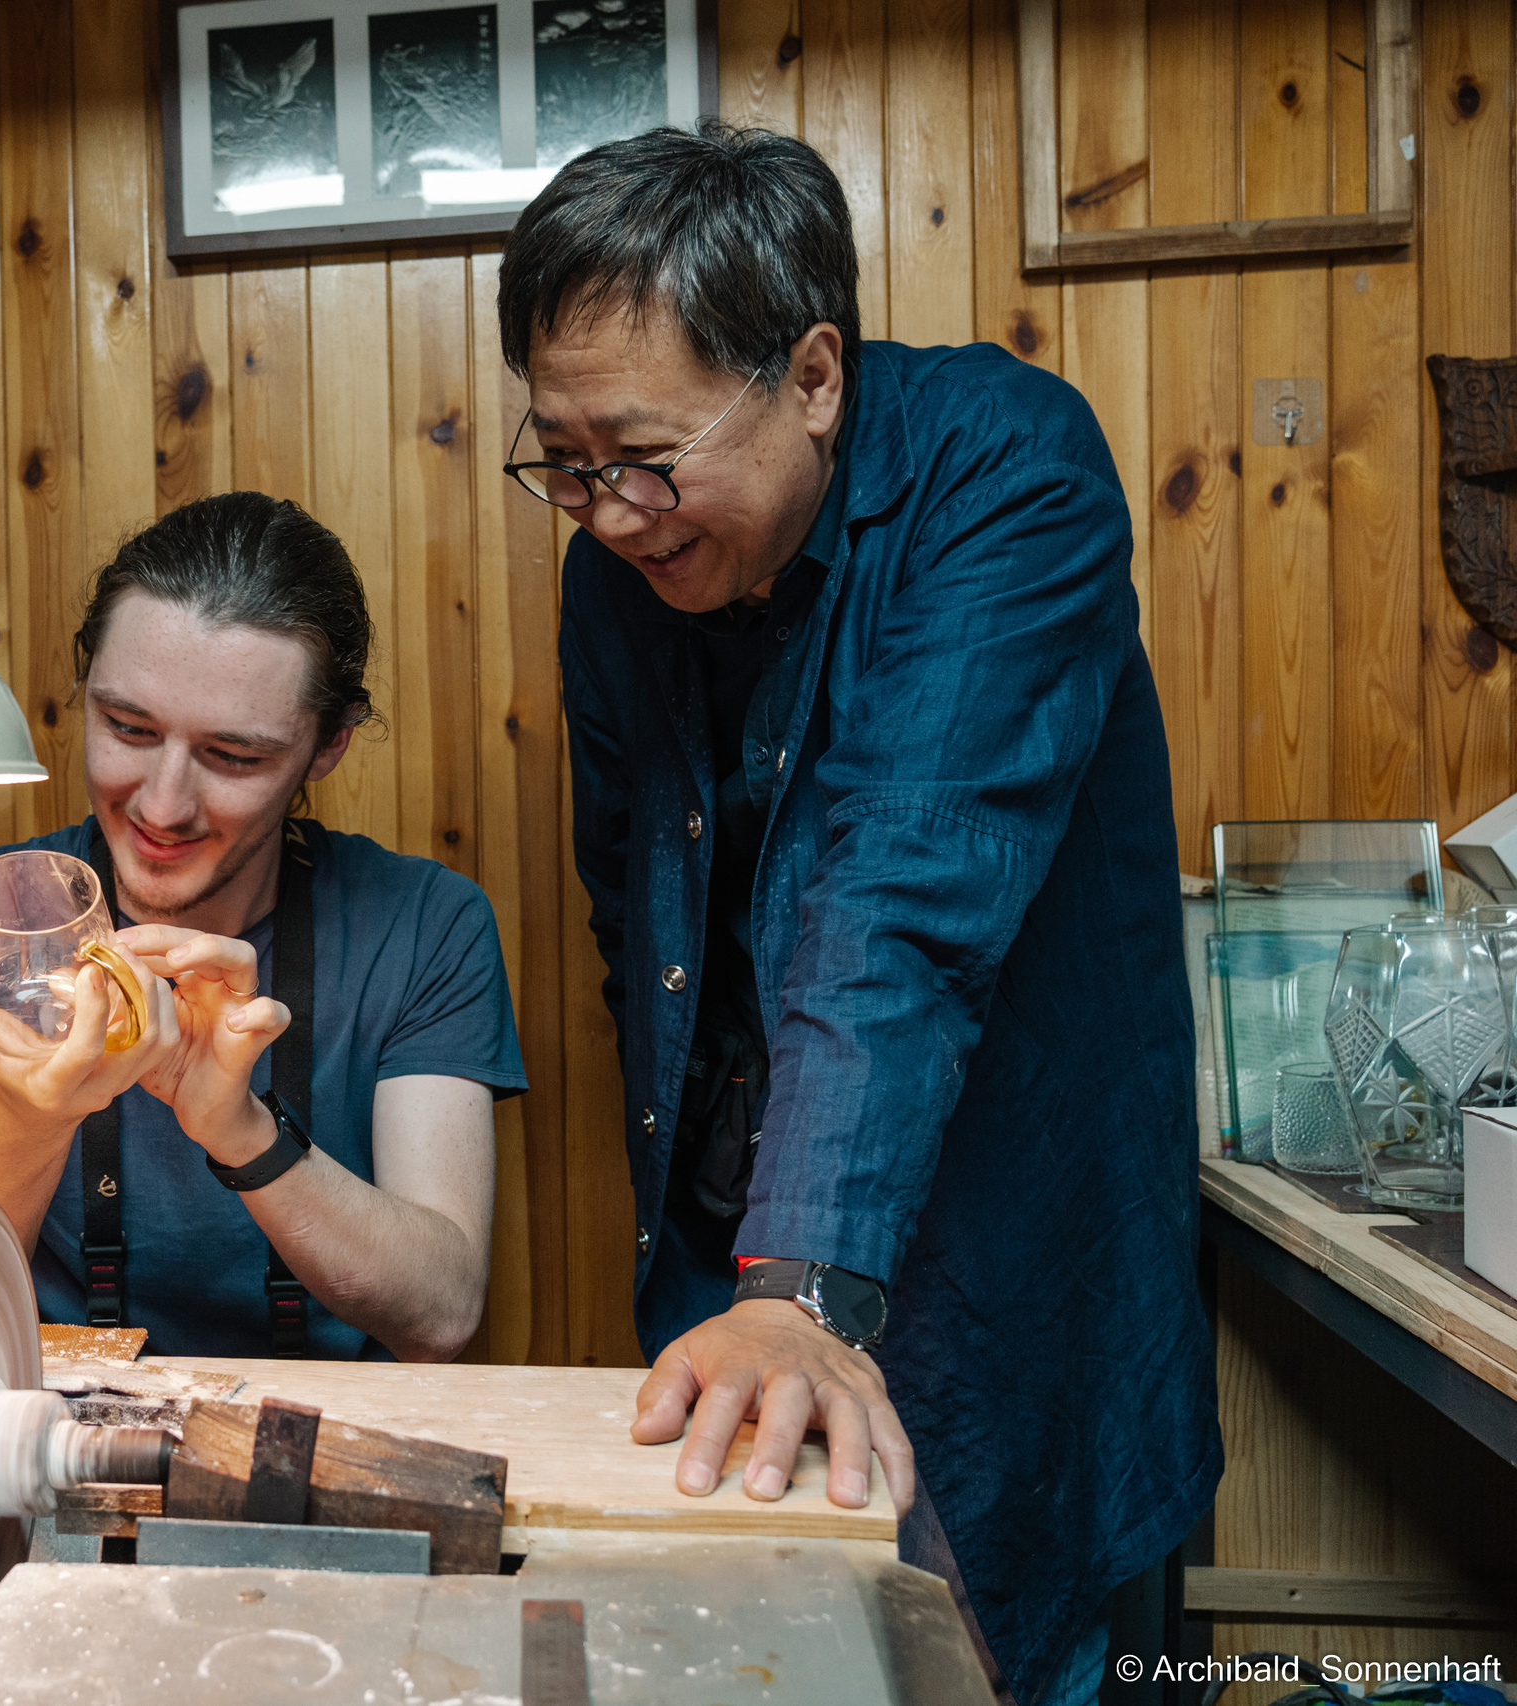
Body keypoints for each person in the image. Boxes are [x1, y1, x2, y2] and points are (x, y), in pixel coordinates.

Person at [497, 124, 1218, 1703]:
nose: (608, 511)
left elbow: (900, 900)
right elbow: (634, 908)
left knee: (1016, 1652)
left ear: (813, 376)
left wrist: (802, 1288)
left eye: (643, 454)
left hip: (997, 1250)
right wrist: (740, 1273)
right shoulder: (614, 571)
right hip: (740, 1269)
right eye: (564, 461)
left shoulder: (1008, 473)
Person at [0, 491, 526, 1361]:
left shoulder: (428, 923)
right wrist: (30, 1118)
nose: (163, 805)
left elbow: (440, 1315)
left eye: (234, 757)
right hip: (36, 1435)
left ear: (328, 746)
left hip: (327, 1440)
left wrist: (236, 1125)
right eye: (128, 728)